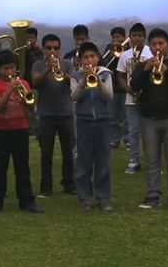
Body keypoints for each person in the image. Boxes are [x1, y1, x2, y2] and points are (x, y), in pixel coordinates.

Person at [131, 29, 168, 213]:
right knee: (152, 161)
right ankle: (152, 196)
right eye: (154, 44)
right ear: (150, 47)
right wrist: (145, 71)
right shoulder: (143, 66)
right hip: (149, 119)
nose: (157, 47)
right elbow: (134, 86)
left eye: (161, 43)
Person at [0, 49, 43, 215]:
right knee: (0, 167)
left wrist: (28, 97)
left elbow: (30, 107)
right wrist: (9, 91)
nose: (10, 71)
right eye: (6, 68)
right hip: (1, 131)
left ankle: (26, 200)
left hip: (20, 129)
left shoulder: (24, 83)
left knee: (22, 167)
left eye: (12, 67)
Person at [71, 42, 114, 211]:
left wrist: (98, 82)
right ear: (80, 60)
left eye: (92, 57)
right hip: (83, 121)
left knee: (103, 160)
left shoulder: (106, 74)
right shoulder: (76, 76)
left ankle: (103, 198)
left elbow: (109, 96)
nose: (89, 60)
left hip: (102, 121)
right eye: (85, 57)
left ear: (98, 58)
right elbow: (74, 97)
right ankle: (85, 197)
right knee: (83, 161)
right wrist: (83, 82)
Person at [31, 33, 76, 196]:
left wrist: (62, 72)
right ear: (43, 49)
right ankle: (46, 186)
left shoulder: (67, 64)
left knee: (68, 153)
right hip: (45, 114)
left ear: (59, 49)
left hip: (66, 113)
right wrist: (48, 69)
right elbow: (35, 83)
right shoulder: (38, 64)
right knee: (46, 153)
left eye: (55, 48)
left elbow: (75, 83)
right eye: (49, 48)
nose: (52, 51)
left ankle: (69, 184)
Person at [117, 23, 153, 175]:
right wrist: (128, 89)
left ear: (144, 37)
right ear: (130, 37)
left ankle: (152, 161)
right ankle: (134, 159)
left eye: (140, 36)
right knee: (133, 131)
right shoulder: (125, 55)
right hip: (131, 98)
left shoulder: (150, 52)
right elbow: (120, 75)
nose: (137, 38)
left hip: (148, 97)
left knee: (150, 131)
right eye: (134, 35)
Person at [102, 26, 127, 149]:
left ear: (124, 37)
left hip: (125, 87)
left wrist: (121, 55)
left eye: (118, 37)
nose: (116, 39)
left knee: (126, 115)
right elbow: (104, 65)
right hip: (112, 86)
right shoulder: (109, 49)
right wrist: (112, 55)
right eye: (113, 37)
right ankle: (114, 139)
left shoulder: (129, 49)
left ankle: (127, 139)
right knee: (112, 115)